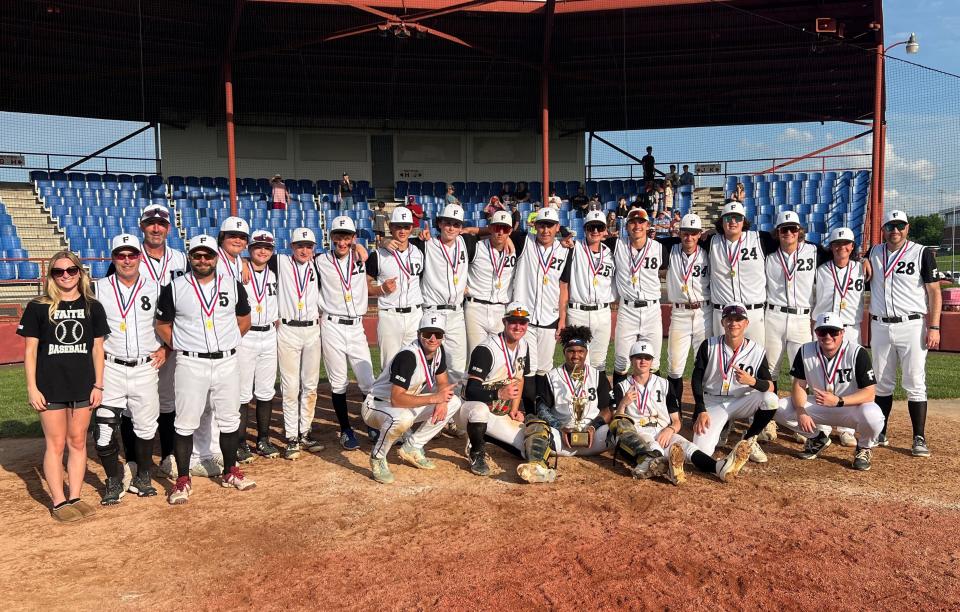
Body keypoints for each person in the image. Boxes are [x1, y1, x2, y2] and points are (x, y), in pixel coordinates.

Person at [155, 234, 254, 504]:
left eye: (208, 255)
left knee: (229, 419)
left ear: (215, 257)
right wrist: (184, 344)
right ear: (190, 257)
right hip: (191, 362)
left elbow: (244, 319)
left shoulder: (231, 285)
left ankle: (230, 470)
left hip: (226, 361)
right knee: (185, 421)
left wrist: (229, 342)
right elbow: (162, 324)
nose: (202, 260)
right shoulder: (175, 287)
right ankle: (183, 479)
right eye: (197, 255)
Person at [20, 251, 107, 522]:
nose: (65, 276)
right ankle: (58, 501)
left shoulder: (93, 306)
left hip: (83, 384)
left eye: (71, 270)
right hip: (50, 386)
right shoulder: (38, 306)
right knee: (56, 444)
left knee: (79, 441)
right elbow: (31, 351)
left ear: (80, 273)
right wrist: (32, 388)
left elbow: (97, 349)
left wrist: (98, 385)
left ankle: (75, 496)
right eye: (59, 272)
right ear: (51, 276)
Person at [609, 341, 752, 484]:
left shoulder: (664, 384)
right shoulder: (622, 387)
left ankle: (719, 467)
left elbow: (677, 421)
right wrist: (623, 403)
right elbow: (618, 424)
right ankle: (671, 470)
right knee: (655, 448)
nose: (643, 361)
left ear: (652, 361)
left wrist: (670, 430)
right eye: (638, 357)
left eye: (647, 358)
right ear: (631, 360)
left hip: (663, 430)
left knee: (687, 447)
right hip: (640, 433)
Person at [92, 235, 164, 504]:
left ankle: (142, 477)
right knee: (104, 430)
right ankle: (113, 479)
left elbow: (170, 321)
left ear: (139, 257)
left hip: (145, 367)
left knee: (146, 428)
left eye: (131, 255)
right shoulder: (98, 288)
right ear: (113, 258)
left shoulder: (155, 287)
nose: (126, 260)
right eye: (121, 255)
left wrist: (166, 348)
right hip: (111, 367)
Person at [867, 209, 941, 457]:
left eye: (900, 226)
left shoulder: (921, 253)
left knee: (914, 382)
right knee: (881, 382)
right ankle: (881, 430)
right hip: (879, 325)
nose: (895, 230)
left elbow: (934, 292)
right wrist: (862, 259)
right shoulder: (874, 252)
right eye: (890, 226)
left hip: (911, 325)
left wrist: (935, 326)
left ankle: (919, 437)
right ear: (883, 229)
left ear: (907, 228)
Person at [773, 313, 883, 471]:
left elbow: (869, 393)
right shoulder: (805, 350)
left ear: (842, 333)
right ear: (816, 332)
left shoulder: (857, 352)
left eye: (833, 332)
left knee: (874, 416)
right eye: (822, 332)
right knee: (777, 408)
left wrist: (839, 400)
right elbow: (799, 385)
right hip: (819, 405)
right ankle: (817, 438)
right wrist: (801, 410)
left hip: (850, 407)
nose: (828, 336)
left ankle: (864, 448)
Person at [360, 313, 462, 484]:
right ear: (419, 334)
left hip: (403, 403)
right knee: (403, 418)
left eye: (437, 334)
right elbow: (397, 400)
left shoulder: (438, 351)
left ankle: (412, 447)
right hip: (376, 406)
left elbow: (443, 382)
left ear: (443, 337)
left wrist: (442, 401)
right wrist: (434, 399)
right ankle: (378, 457)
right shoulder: (408, 356)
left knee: (454, 402)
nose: (432, 338)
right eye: (427, 333)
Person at [518, 326, 613, 483]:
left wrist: (593, 427)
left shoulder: (597, 376)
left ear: (586, 353)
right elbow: (541, 409)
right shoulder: (552, 376)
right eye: (571, 351)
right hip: (562, 440)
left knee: (620, 425)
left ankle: (645, 460)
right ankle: (537, 467)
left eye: (580, 351)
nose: (576, 355)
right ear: (564, 353)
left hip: (595, 439)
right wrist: (559, 427)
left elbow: (607, 409)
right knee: (536, 427)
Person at [136, 204, 188, 480]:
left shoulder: (181, 259)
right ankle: (133, 460)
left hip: (171, 339)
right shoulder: (130, 257)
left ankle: (168, 454)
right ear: (142, 226)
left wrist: (169, 345)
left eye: (161, 224)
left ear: (169, 228)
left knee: (168, 400)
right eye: (151, 223)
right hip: (139, 339)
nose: (156, 228)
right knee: (136, 403)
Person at [691, 303, 778, 465]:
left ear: (746, 323)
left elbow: (771, 387)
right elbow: (696, 378)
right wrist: (700, 409)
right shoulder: (709, 345)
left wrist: (752, 381)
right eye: (729, 319)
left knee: (770, 399)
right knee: (701, 451)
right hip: (713, 402)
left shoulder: (757, 351)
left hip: (741, 401)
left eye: (739, 319)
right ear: (722, 322)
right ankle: (724, 424)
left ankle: (748, 440)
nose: (734, 323)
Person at [318, 216, 375, 450]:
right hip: (331, 325)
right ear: (331, 238)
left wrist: (365, 250)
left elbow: (383, 265)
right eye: (338, 237)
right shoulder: (320, 260)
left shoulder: (362, 258)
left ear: (353, 238)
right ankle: (346, 429)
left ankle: (371, 423)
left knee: (367, 381)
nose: (342, 242)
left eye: (347, 237)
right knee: (338, 381)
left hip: (356, 326)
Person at [458, 302, 532, 476]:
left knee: (525, 449)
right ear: (504, 321)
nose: (518, 326)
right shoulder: (486, 350)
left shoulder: (524, 346)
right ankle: (476, 453)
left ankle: (486, 435)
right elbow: (470, 391)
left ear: (527, 325)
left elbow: (519, 379)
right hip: (468, 408)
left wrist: (514, 409)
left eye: (522, 323)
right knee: (480, 410)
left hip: (497, 411)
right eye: (513, 321)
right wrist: (498, 393)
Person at [272, 227, 325, 459]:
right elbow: (253, 257)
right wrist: (244, 264)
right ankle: (291, 435)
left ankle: (305, 431)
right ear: (291, 247)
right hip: (288, 329)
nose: (304, 250)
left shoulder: (320, 264)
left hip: (313, 329)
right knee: (290, 386)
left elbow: (349, 253)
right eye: (299, 246)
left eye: (308, 246)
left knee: (311, 385)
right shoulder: (281, 262)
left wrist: (360, 247)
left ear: (314, 248)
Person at [509, 207, 572, 402]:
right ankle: (528, 411)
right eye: (541, 225)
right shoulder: (524, 242)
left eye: (550, 226)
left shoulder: (565, 250)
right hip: (523, 319)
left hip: (549, 318)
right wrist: (468, 231)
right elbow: (500, 233)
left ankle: (541, 409)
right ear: (535, 226)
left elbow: (563, 286)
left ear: (557, 227)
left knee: (544, 368)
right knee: (526, 367)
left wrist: (562, 318)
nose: (545, 230)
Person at [813, 227, 868, 448]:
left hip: (850, 327)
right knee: (821, 374)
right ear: (831, 247)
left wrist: (867, 258)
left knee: (849, 378)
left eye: (846, 244)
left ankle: (847, 428)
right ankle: (823, 425)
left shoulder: (862, 268)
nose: (841, 247)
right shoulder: (822, 269)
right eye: (836, 244)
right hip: (825, 328)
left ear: (852, 247)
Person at [763, 211, 830, 383]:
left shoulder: (814, 251)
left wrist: (865, 258)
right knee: (770, 370)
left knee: (803, 371)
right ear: (777, 233)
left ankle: (800, 409)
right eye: (784, 229)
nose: (788, 233)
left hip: (801, 318)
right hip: (774, 316)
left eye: (792, 229)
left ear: (799, 231)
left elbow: (840, 254)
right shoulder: (767, 254)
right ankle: (770, 408)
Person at [707, 200, 779, 344]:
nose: (733, 222)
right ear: (721, 222)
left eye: (738, 218)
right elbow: (683, 241)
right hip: (723, 313)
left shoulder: (760, 239)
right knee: (723, 361)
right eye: (728, 218)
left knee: (755, 359)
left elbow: (791, 241)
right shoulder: (710, 241)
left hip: (753, 312)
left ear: (744, 221)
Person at [238, 230, 280, 460]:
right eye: (257, 247)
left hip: (269, 334)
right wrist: (242, 262)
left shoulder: (274, 273)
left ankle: (263, 439)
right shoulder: (238, 270)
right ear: (249, 249)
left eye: (267, 247)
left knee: (265, 390)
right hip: (246, 335)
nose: (262, 251)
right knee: (243, 392)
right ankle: (239, 442)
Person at [664, 213, 711, 415]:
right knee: (674, 366)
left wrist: (713, 231)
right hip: (680, 312)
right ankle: (676, 411)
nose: (689, 237)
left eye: (693, 233)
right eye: (685, 232)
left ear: (700, 234)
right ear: (679, 233)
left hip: (704, 312)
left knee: (704, 364)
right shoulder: (670, 249)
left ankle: (702, 408)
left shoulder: (709, 251)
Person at [609, 208, 666, 379]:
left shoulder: (660, 248)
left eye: (641, 222)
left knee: (653, 360)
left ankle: (654, 401)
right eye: (632, 222)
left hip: (652, 309)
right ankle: (619, 403)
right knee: (621, 361)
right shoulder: (616, 245)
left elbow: (689, 241)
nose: (637, 226)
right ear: (626, 226)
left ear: (648, 225)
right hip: (628, 309)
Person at [366, 206, 424, 370]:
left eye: (406, 226)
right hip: (390, 315)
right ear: (390, 227)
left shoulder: (420, 251)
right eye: (398, 226)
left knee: (415, 364)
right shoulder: (378, 255)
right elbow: (363, 285)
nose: (402, 230)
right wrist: (381, 289)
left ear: (411, 228)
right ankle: (386, 397)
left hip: (415, 315)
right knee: (389, 366)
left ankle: (412, 396)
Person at [559, 210, 615, 377]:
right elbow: (564, 284)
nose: (595, 231)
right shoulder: (574, 248)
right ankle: (575, 399)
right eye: (591, 227)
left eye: (599, 227)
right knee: (578, 359)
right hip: (578, 312)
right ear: (585, 229)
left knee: (599, 361)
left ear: (605, 230)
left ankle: (596, 399)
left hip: (603, 312)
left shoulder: (611, 252)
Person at [464, 211, 517, 356]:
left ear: (510, 231)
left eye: (505, 229)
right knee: (475, 356)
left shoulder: (515, 249)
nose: (500, 232)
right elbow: (457, 235)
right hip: (475, 308)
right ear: (489, 228)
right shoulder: (476, 246)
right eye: (496, 227)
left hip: (501, 310)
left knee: (499, 357)